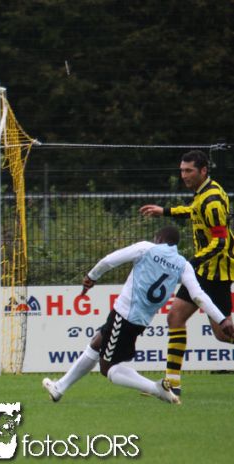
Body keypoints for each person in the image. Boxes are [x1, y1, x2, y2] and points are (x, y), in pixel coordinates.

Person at [42, 226, 234, 404]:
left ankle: (156, 389)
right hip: (140, 321)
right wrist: (222, 319)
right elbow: (199, 296)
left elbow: (109, 260)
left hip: (123, 315)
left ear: (158, 239)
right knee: (97, 342)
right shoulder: (183, 265)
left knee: (108, 368)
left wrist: (92, 276)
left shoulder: (146, 248)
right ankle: (60, 387)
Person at [139, 150, 234, 397]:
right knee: (175, 317)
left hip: (215, 274)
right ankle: (172, 384)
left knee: (223, 333)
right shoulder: (203, 193)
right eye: (182, 170)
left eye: (189, 170)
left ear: (203, 170)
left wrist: (191, 263)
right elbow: (193, 210)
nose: (184, 175)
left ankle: (171, 384)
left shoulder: (212, 199)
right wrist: (165, 211)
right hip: (203, 270)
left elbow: (222, 242)